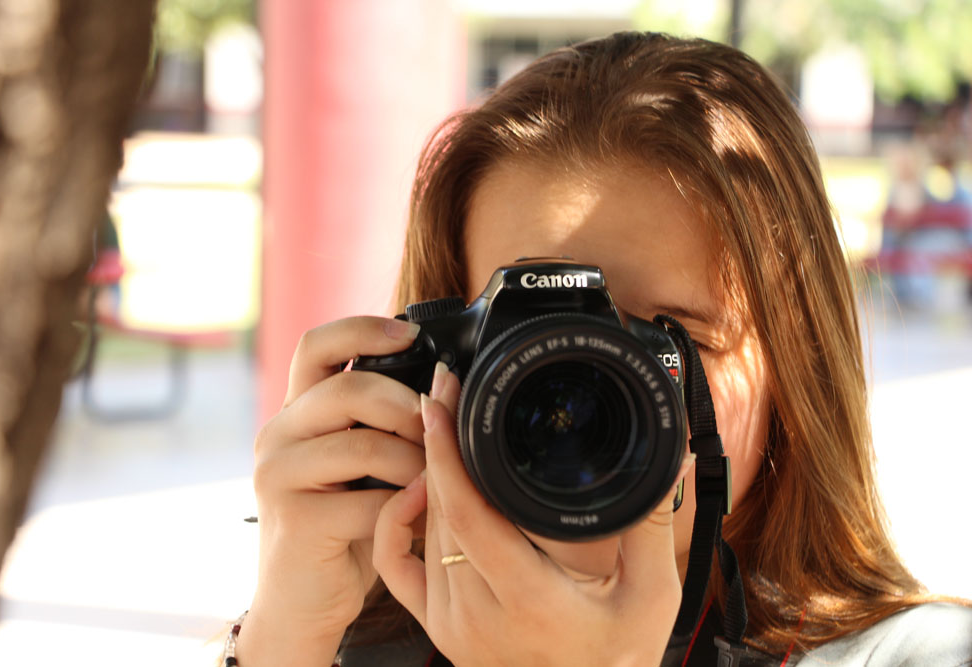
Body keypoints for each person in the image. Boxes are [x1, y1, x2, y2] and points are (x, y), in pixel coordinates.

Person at [230, 32, 972, 666]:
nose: (587, 382)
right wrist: (283, 637)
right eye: (532, 329)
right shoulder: (358, 635)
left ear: (793, 361)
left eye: (668, 336)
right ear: (444, 366)